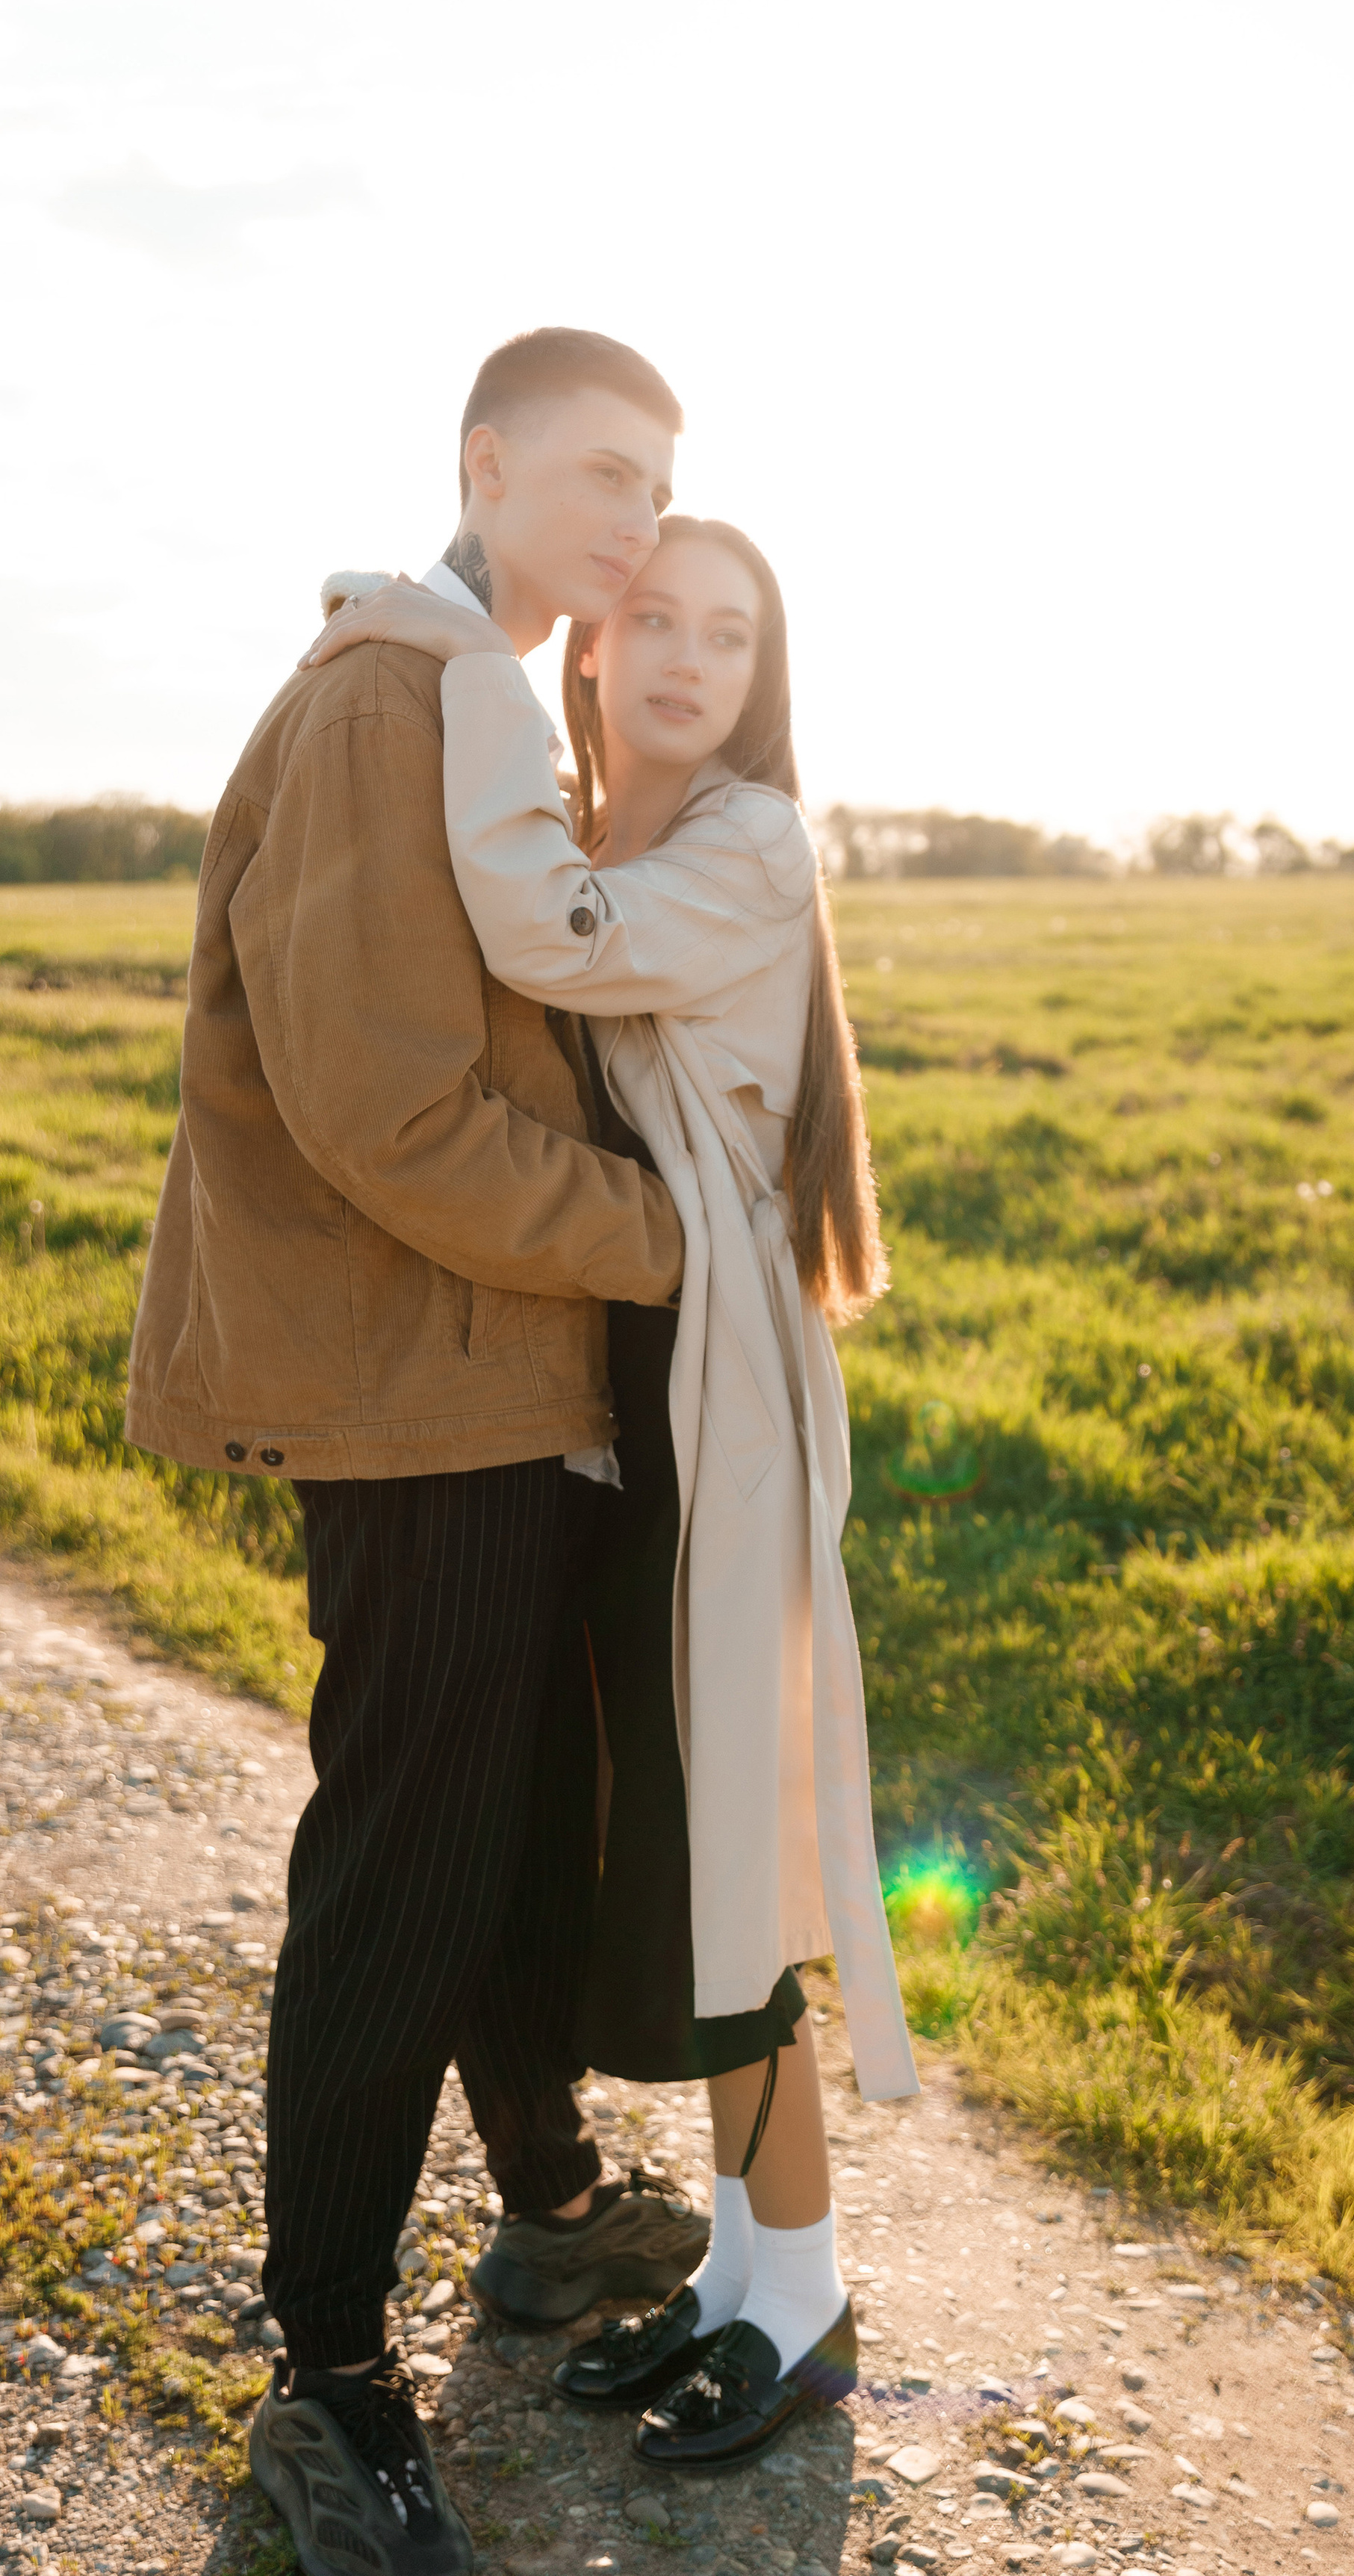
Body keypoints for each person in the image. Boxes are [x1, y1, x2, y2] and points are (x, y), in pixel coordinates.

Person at [125, 330, 713, 2576]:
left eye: (663, 488)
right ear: (483, 463)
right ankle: (331, 2374)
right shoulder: (391, 703)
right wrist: (658, 1243)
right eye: (599, 473)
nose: (637, 525)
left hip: (499, 1375)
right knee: (404, 1864)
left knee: (506, 1833)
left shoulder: (491, 693)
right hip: (420, 1384)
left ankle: (552, 2211)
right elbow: (381, 1105)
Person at [294, 513, 919, 2470]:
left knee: (729, 1848)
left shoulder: (740, 842)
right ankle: (737, 2277)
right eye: (655, 618)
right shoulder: (612, 825)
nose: (685, 659)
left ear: (759, 680)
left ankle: (802, 2298)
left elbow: (528, 931)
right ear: (599, 643)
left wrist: (435, 659)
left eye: (728, 636)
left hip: (714, 1376)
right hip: (630, 1371)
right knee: (664, 1838)